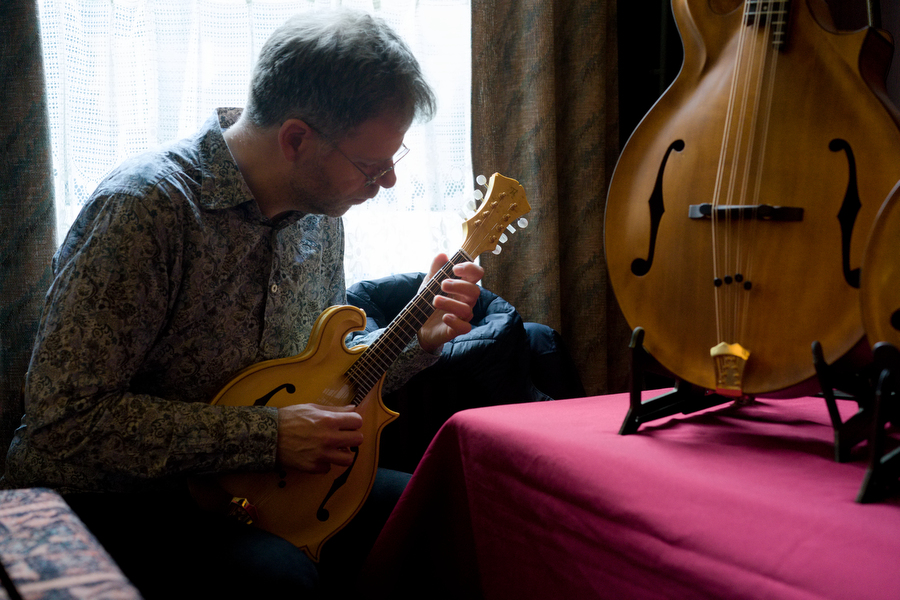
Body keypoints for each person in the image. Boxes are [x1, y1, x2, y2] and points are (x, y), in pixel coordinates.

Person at [3, 8, 483, 599]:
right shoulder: (146, 209)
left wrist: (419, 341)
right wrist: (266, 436)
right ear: (296, 139)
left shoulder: (319, 217)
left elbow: (313, 376)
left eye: (393, 160)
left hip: (252, 483)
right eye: (370, 165)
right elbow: (64, 418)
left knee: (443, 511)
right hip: (106, 494)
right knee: (278, 579)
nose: (385, 183)